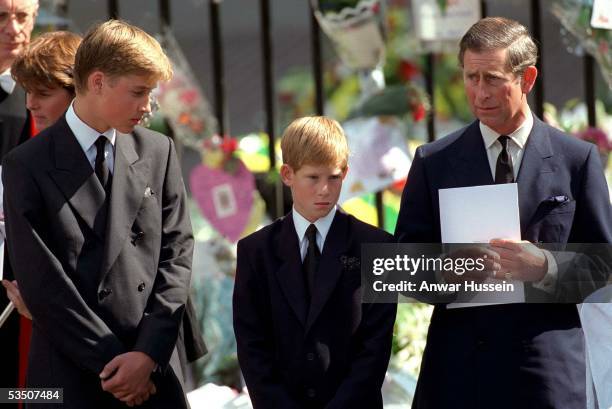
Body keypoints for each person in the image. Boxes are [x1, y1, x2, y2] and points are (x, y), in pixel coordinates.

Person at [394, 17, 612, 409]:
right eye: (471, 77)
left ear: (527, 79)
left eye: (492, 79)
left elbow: (602, 264)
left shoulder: (576, 160)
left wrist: (544, 266)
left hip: (545, 369)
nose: (479, 92)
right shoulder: (433, 161)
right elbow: (402, 266)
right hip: (459, 371)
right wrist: (446, 270)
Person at [2, 20, 194, 408]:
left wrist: (146, 356)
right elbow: (44, 283)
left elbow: (177, 255)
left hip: (152, 371)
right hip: (69, 375)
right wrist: (115, 366)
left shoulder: (159, 151)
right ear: (98, 82)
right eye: (138, 92)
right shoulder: (26, 164)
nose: (146, 107)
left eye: (150, 93)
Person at [233, 116, 397, 409]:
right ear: (287, 174)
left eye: (333, 177)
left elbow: (375, 348)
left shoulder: (377, 246)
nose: (324, 189)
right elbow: (252, 346)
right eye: (313, 177)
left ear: (345, 173)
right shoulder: (255, 252)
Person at [0, 0, 37, 398]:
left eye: (23, 16)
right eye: (1, 18)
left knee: (21, 390)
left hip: (21, 268)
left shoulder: (43, 92)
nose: (14, 29)